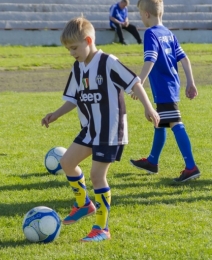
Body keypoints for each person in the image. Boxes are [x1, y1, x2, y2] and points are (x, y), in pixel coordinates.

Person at [41, 17, 159, 242]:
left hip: (110, 130)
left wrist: (148, 108)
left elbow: (134, 83)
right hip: (90, 128)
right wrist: (55, 114)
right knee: (66, 162)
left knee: (97, 175)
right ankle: (84, 204)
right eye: (68, 49)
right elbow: (73, 99)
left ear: (88, 40)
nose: (71, 53)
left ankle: (102, 229)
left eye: (74, 48)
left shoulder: (108, 62)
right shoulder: (78, 67)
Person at [129, 0, 200, 183]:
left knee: (175, 123)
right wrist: (190, 82)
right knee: (159, 121)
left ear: (146, 14)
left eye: (139, 14)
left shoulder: (151, 34)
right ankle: (152, 161)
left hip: (164, 88)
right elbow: (185, 59)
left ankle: (191, 166)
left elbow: (150, 59)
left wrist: (140, 82)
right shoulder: (168, 33)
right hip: (171, 86)